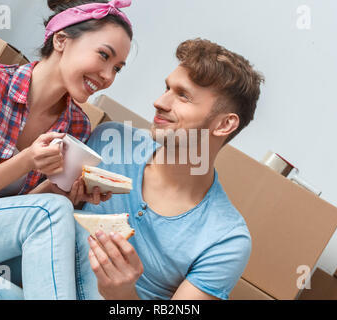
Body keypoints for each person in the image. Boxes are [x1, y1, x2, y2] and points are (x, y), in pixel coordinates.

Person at [0, 0, 133, 299]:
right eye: (104, 55)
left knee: (80, 235)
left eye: (117, 68)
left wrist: (57, 189)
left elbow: (17, 215)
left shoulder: (76, 126)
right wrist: (25, 161)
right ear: (61, 40)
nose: (108, 76)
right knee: (53, 211)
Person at [74, 38, 265, 300]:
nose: (160, 102)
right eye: (167, 88)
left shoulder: (226, 239)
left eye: (183, 96)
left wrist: (121, 295)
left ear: (224, 125)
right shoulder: (111, 141)